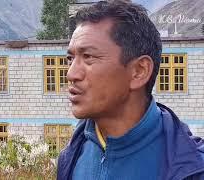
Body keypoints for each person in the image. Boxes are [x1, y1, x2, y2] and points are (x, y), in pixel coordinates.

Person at [58, 1, 204, 179]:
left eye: (88, 57)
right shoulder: (71, 156)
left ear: (139, 71)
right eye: (70, 59)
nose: (71, 74)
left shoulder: (193, 168)